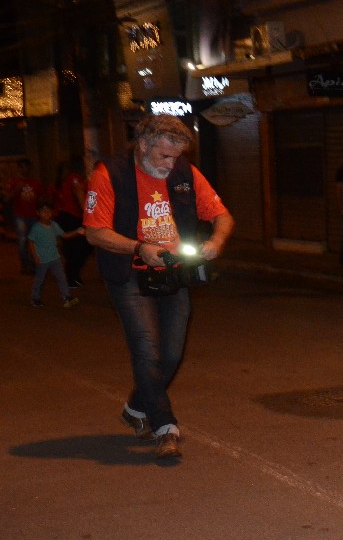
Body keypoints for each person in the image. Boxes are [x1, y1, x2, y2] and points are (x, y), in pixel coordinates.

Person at [84, 114, 234, 461]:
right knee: (147, 350)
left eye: (176, 157)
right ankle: (164, 426)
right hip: (130, 273)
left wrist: (216, 241)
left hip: (173, 272)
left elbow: (222, 217)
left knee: (171, 354)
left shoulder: (185, 173)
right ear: (143, 144)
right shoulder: (110, 173)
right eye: (164, 156)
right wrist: (139, 248)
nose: (171, 164)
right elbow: (94, 231)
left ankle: (137, 406)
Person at [27, 198, 80, 309]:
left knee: (61, 277)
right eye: (43, 211)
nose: (46, 213)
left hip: (55, 257)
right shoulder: (36, 228)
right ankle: (35, 297)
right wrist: (35, 256)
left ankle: (66, 297)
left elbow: (64, 235)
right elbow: (31, 242)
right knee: (39, 279)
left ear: (52, 212)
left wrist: (77, 231)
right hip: (43, 259)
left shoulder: (54, 225)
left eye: (48, 210)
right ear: (38, 213)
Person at [53, 158, 92, 288]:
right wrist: (88, 214)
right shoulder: (74, 178)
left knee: (73, 249)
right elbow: (80, 197)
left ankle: (72, 277)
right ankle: (71, 277)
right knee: (80, 248)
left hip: (64, 217)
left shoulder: (62, 181)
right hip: (72, 217)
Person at [7, 157, 46, 275]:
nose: (25, 169)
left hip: (33, 215)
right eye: (22, 167)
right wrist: (17, 189)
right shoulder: (13, 182)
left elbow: (41, 199)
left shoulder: (36, 183)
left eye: (26, 167)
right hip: (20, 215)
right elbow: (7, 198)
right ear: (18, 168)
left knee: (34, 241)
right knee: (23, 240)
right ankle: (25, 265)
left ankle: (33, 264)